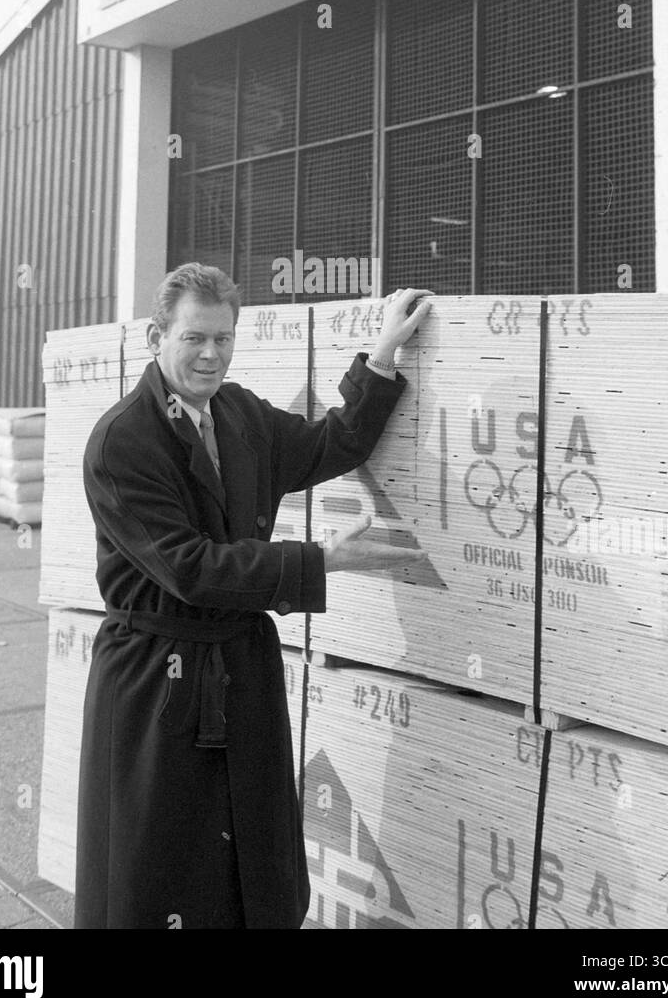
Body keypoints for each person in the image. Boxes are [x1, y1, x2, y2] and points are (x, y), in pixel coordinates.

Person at [74, 262, 433, 930]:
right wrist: (320, 561)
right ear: (158, 337)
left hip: (238, 667)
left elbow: (332, 442)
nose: (210, 354)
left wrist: (383, 353)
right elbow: (189, 568)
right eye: (193, 339)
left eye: (223, 338)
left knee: (253, 867)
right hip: (160, 679)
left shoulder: (238, 416)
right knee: (163, 875)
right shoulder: (122, 441)